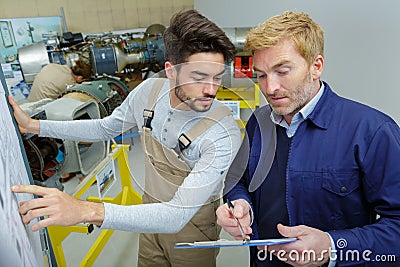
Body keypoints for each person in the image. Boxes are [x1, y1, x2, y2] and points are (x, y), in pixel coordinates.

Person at [10, 9, 241, 267]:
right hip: (148, 216)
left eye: (217, 78)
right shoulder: (149, 92)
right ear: (171, 71)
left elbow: (176, 215)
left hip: (192, 229)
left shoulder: (221, 132)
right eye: (199, 77)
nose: (211, 90)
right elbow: (105, 128)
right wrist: (35, 125)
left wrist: (86, 210)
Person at [216, 11, 400, 267]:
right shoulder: (257, 124)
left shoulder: (373, 131)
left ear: (316, 66)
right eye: (261, 75)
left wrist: (333, 246)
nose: (270, 88)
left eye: (282, 71)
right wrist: (239, 205)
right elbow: (239, 182)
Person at [27, 59, 92, 102]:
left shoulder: (53, 66)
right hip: (40, 110)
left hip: (29, 102)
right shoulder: (69, 83)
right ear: (80, 78)